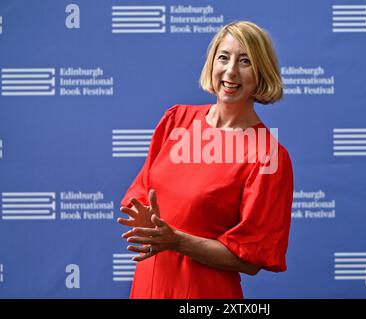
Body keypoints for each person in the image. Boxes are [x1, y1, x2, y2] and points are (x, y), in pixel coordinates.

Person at [117, 21, 294, 299]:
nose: (231, 70)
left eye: (245, 61)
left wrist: (176, 241)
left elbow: (250, 260)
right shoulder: (176, 120)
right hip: (149, 284)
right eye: (223, 57)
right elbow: (141, 193)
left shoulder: (268, 156)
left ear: (261, 73)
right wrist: (144, 219)